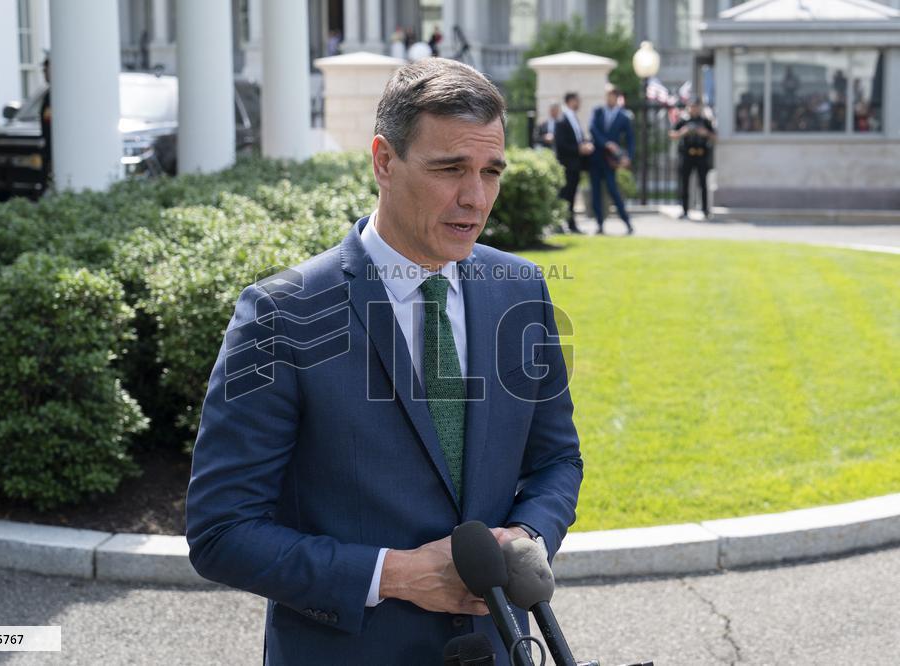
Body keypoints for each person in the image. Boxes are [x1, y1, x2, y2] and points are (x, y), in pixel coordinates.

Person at [186, 58, 583, 665]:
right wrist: (393, 575)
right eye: (450, 168)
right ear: (383, 161)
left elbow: (556, 459)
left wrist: (527, 537)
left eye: (490, 171)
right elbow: (221, 531)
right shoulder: (280, 314)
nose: (475, 198)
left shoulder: (521, 289)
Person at [588, 84, 634, 235]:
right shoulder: (598, 111)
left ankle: (627, 222)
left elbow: (630, 139)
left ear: (616, 97)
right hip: (596, 159)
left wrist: (628, 156)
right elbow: (592, 129)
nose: (609, 98)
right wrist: (606, 144)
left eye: (611, 95)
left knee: (613, 191)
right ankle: (600, 224)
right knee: (596, 193)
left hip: (610, 161)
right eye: (607, 95)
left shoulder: (623, 116)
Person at [669, 97, 716, 219]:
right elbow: (672, 134)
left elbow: (715, 136)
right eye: (692, 106)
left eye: (696, 106)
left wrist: (705, 133)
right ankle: (684, 210)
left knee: (703, 184)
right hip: (687, 155)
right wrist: (682, 132)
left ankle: (705, 210)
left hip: (701, 155)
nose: (694, 109)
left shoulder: (705, 121)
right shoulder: (683, 121)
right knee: (684, 183)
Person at [554, 92, 594, 234]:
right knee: (564, 196)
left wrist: (585, 145)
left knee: (571, 196)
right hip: (567, 165)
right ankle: (558, 224)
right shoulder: (562, 119)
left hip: (575, 166)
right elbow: (561, 144)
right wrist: (579, 149)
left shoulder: (573, 118)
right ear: (570, 101)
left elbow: (577, 138)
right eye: (577, 101)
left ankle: (571, 224)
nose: (579, 104)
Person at [39, 56, 53, 192]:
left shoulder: (60, 95)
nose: (44, 73)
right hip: (47, 153)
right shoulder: (48, 94)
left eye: (46, 69)